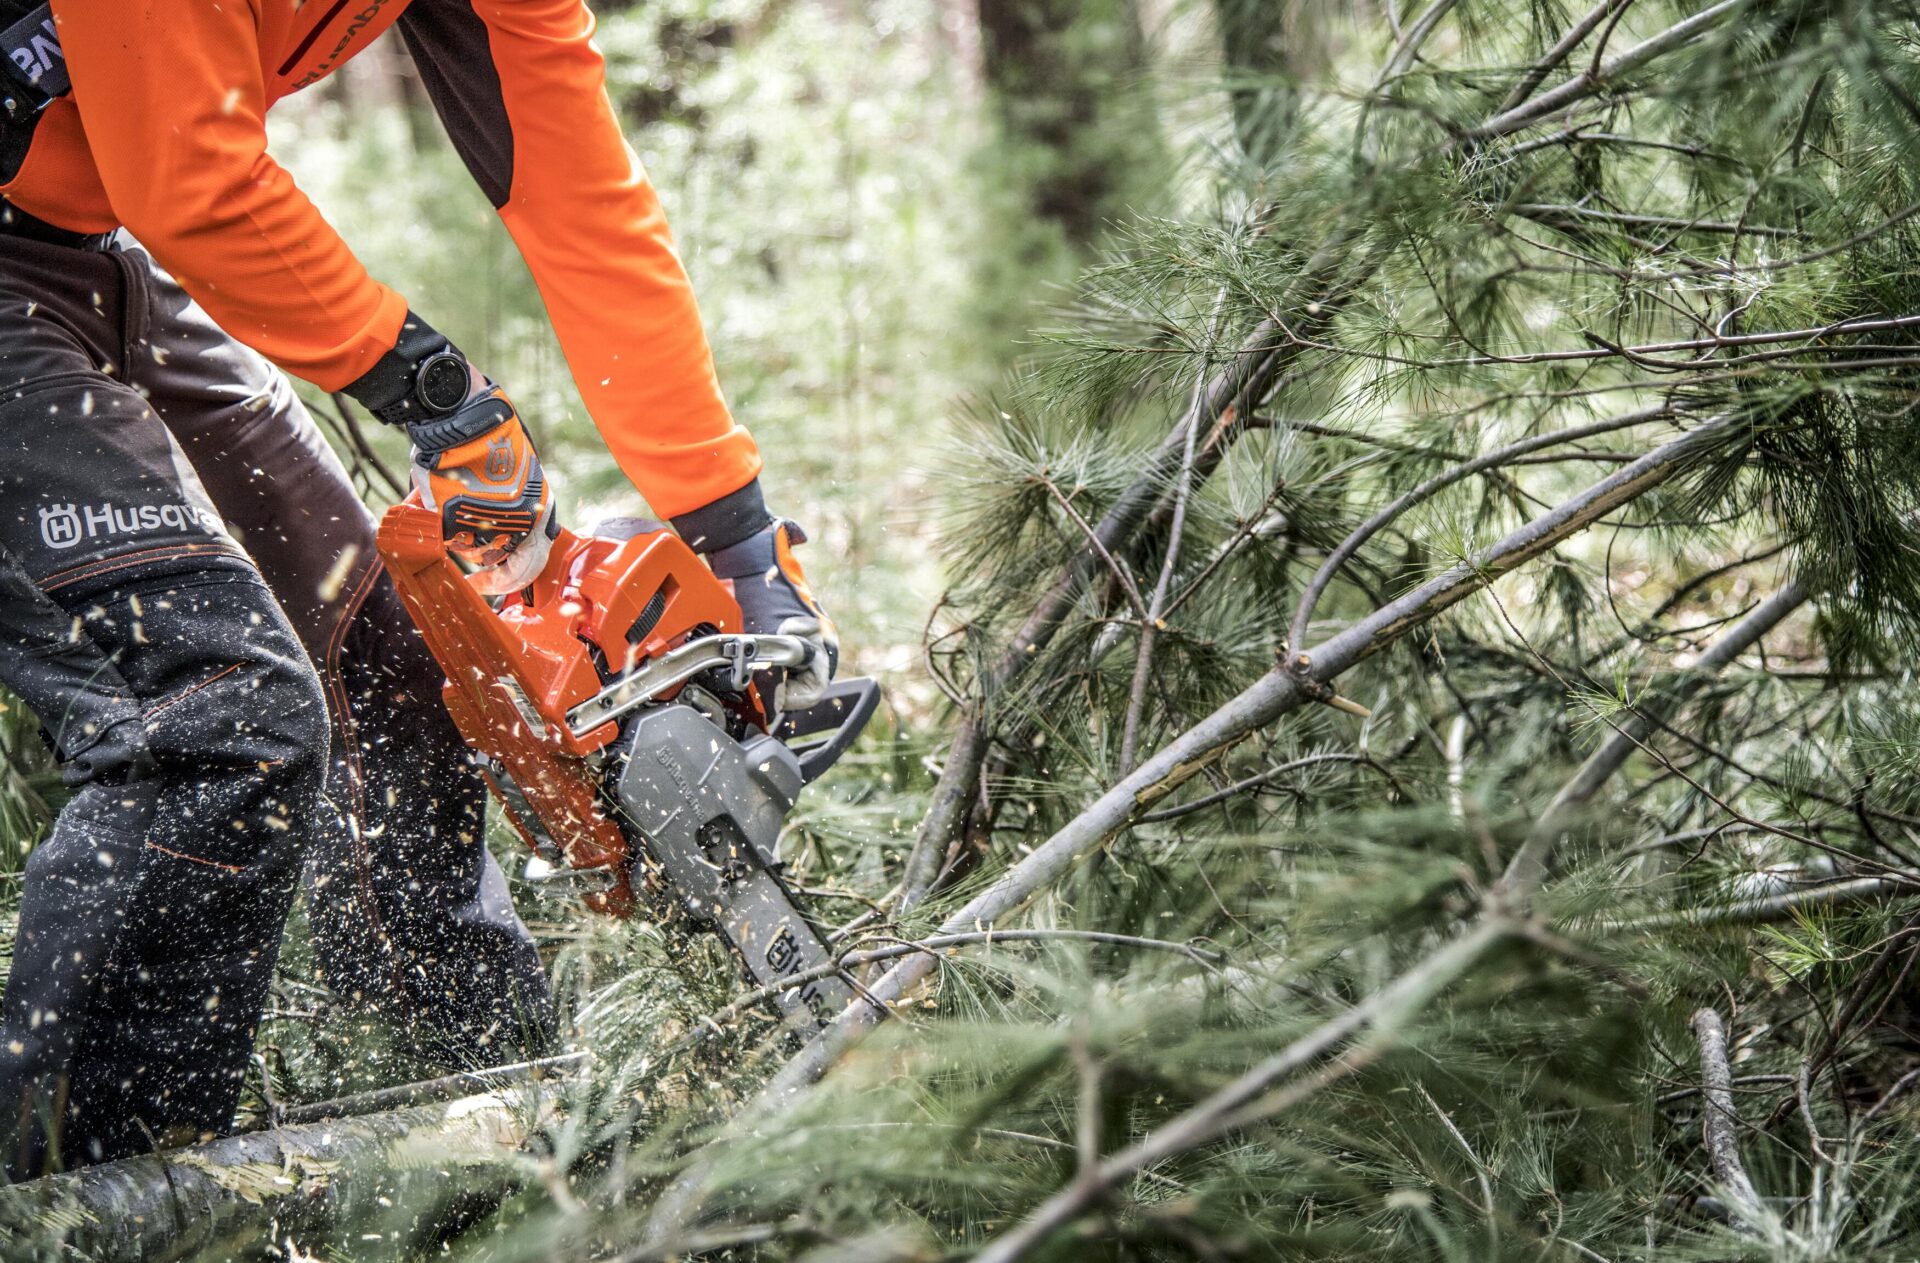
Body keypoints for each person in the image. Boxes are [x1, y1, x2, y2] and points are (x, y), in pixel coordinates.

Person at [0, 0, 837, 1179]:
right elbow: (184, 171)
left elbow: (582, 201)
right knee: (217, 711)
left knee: (383, 657)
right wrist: (437, 391)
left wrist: (738, 541)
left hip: (87, 255)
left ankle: (497, 1116)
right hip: (53, 249)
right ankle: (85, 1197)